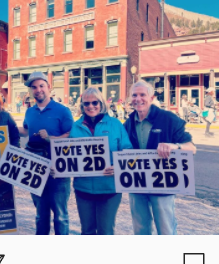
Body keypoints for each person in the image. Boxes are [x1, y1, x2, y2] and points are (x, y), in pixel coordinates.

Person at [124, 80, 196, 235]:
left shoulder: (168, 118)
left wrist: (175, 146)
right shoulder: (129, 123)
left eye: (143, 95)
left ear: (151, 97)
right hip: (137, 184)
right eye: (134, 95)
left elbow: (192, 148)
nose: (138, 99)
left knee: (166, 229)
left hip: (163, 184)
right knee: (140, 229)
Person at [69, 87, 133, 235]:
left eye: (94, 102)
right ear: (82, 106)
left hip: (110, 188)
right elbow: (69, 154)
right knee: (87, 231)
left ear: (101, 103)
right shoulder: (76, 126)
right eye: (86, 103)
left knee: (106, 231)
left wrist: (119, 166)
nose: (90, 106)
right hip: (83, 188)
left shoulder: (115, 124)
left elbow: (127, 151)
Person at [19, 71, 73, 235]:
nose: (38, 90)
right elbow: (26, 131)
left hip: (58, 165)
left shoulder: (62, 110)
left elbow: (72, 135)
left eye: (41, 86)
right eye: (34, 87)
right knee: (40, 214)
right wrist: (5, 129)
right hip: (35, 164)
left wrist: (52, 138)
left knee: (60, 215)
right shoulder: (30, 111)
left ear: (49, 87)